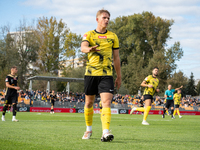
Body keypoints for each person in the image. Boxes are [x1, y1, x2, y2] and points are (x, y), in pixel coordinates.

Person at [81, 9, 121, 142]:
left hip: (106, 74)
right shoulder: (89, 34)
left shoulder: (113, 36)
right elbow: (83, 47)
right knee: (88, 103)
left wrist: (119, 76)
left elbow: (116, 58)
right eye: (104, 17)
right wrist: (89, 49)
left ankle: (105, 132)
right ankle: (88, 129)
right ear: (97, 19)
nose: (107, 20)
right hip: (91, 74)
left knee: (106, 102)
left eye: (108, 18)